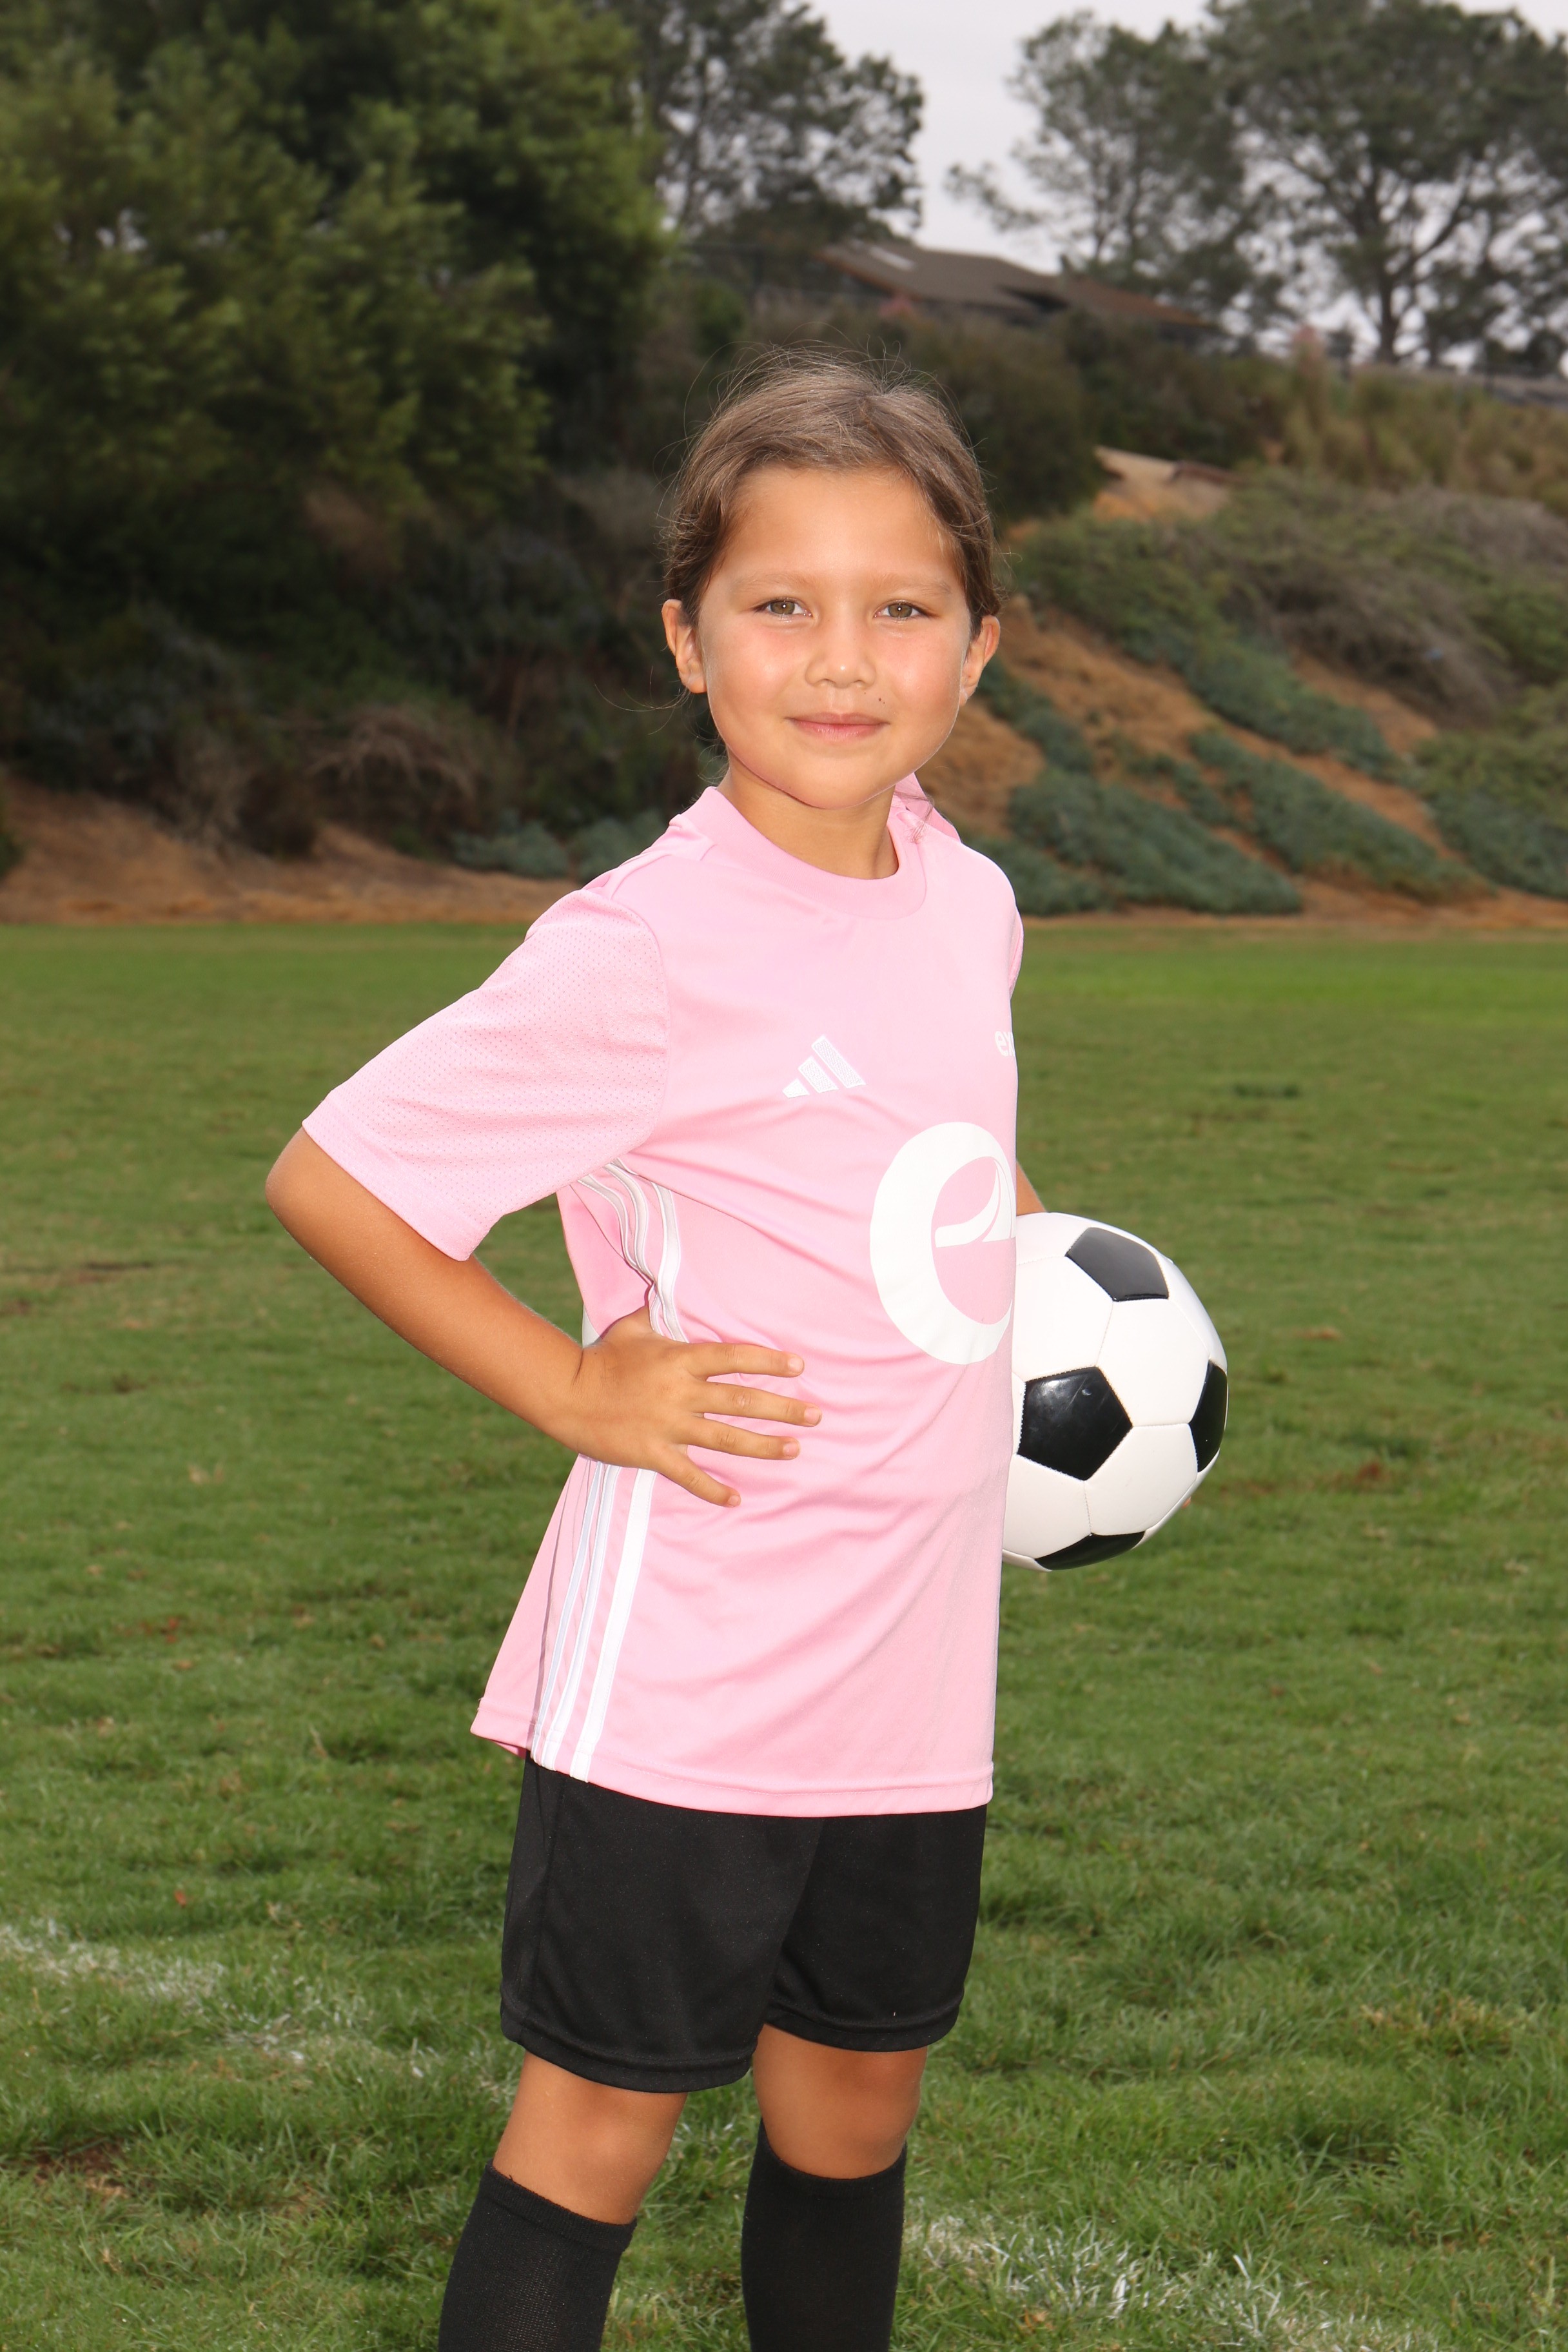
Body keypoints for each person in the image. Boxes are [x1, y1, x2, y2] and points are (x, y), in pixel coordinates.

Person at [265, 351, 1043, 2352]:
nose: (843, 658)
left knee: (854, 2117)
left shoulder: (969, 900)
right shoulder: (645, 945)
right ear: (688, 638)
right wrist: (567, 1383)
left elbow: (937, 1157)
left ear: (978, 644)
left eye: (903, 606)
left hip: (911, 1667)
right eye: (783, 603)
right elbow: (336, 1178)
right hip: (694, 1672)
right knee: (597, 2136)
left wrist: (1036, 1289)